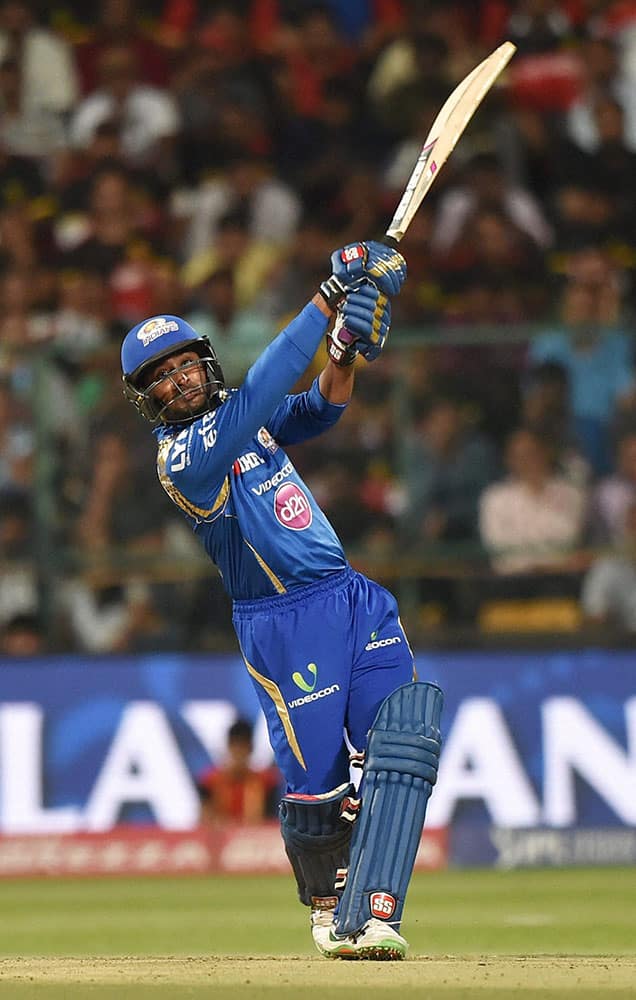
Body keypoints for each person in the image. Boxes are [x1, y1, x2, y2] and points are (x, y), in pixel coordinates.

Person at [120, 240, 443, 961]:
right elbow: (267, 387)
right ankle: (328, 906)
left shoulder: (245, 413)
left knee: (405, 735)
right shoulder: (185, 458)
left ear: (204, 362)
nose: (176, 383)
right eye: (159, 380)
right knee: (318, 791)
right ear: (148, 401)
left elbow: (321, 407)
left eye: (181, 366)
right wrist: (331, 294)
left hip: (351, 596)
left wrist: (345, 347)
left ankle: (378, 912)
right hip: (284, 627)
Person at [196, 718, 281, 825]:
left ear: (250, 749)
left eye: (243, 748)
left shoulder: (266, 783)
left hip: (254, 838)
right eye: (236, 747)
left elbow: (270, 821)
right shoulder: (209, 781)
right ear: (229, 747)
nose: (239, 753)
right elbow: (204, 819)